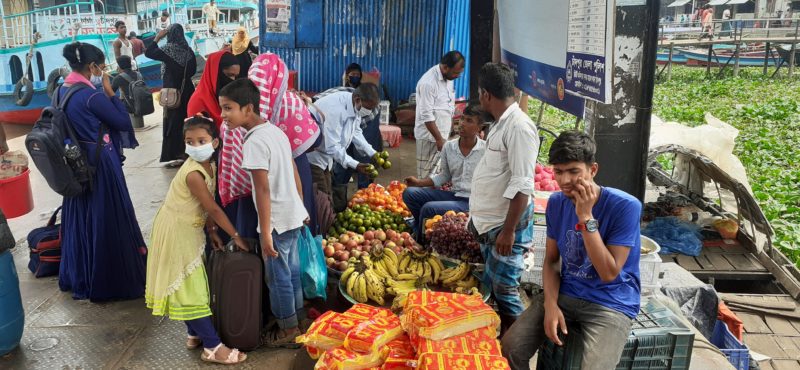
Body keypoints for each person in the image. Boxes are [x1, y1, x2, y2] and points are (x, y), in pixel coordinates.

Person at [501, 131, 642, 370]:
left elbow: (609, 273)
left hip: (610, 301)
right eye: (558, 171)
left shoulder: (625, 206)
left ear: (593, 170)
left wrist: (586, 216)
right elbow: (552, 262)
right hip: (568, 292)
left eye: (574, 171)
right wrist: (551, 305)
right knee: (510, 347)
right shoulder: (556, 203)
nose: (565, 180)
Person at [145, 114, 248, 365]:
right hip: (176, 230)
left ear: (215, 142)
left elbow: (203, 206)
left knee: (186, 282)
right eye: (190, 141)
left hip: (186, 226)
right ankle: (212, 347)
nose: (195, 145)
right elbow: (212, 207)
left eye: (201, 140)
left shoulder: (209, 166)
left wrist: (212, 231)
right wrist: (235, 235)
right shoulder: (193, 172)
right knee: (192, 288)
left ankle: (194, 333)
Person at [218, 78, 308, 347]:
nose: (223, 116)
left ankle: (287, 330)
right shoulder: (275, 131)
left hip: (277, 222)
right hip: (292, 215)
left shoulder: (254, 142)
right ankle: (298, 318)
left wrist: (265, 232)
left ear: (248, 109)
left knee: (277, 278)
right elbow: (293, 171)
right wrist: (301, 206)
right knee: (291, 272)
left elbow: (263, 191)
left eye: (228, 108)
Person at [56, 42, 145, 302]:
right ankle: (112, 277)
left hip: (76, 163)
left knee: (83, 218)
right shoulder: (91, 95)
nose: (102, 69)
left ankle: (82, 272)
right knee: (108, 216)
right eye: (100, 65)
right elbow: (122, 121)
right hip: (99, 163)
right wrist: (111, 93)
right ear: (91, 66)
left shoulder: (61, 91)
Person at [469, 63, 538, 333]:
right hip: (493, 222)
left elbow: (523, 185)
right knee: (493, 284)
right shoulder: (501, 124)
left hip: (506, 224)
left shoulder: (519, 127)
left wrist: (508, 231)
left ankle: (516, 347)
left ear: (486, 95)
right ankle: (501, 341)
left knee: (505, 289)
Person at [248, 53, 321, 234]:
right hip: (295, 167)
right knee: (298, 221)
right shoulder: (291, 101)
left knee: (265, 219)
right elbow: (316, 140)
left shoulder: (243, 107)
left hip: (257, 173)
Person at [403, 102, 486, 240]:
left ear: (480, 127)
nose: (462, 123)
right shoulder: (449, 147)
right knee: (410, 193)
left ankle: (421, 241)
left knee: (428, 209)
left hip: (472, 202)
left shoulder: (486, 150)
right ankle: (422, 227)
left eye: (469, 121)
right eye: (463, 118)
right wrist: (418, 182)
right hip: (454, 196)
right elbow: (445, 175)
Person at [307, 83, 381, 211]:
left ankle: (325, 225)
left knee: (327, 194)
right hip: (314, 156)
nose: (369, 112)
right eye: (368, 108)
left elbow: (356, 132)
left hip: (326, 156)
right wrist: (355, 165)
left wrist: (372, 153)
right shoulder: (335, 110)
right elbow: (332, 147)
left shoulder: (354, 105)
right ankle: (320, 228)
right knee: (321, 199)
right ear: (358, 99)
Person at [146, 24, 197, 167]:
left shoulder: (168, 49)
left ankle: (177, 153)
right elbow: (192, 71)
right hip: (187, 90)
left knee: (173, 122)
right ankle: (189, 152)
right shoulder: (189, 51)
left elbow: (149, 52)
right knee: (187, 120)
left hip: (172, 92)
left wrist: (157, 38)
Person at [414, 51, 465, 179]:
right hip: (429, 138)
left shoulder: (449, 78)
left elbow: (447, 105)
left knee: (437, 177)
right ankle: (422, 199)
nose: (458, 76)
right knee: (425, 177)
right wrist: (438, 139)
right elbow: (426, 115)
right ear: (445, 67)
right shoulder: (428, 83)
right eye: (456, 72)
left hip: (442, 136)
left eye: (459, 73)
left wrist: (451, 128)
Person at [187, 51, 240, 131]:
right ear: (215, 72)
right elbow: (198, 137)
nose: (232, 80)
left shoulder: (229, 96)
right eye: (229, 75)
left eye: (235, 76)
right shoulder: (198, 102)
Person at [111, 56, 145, 128]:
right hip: (142, 102)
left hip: (129, 106)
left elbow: (111, 92)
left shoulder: (118, 78)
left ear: (119, 65)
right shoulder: (139, 74)